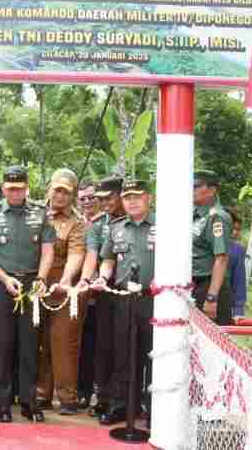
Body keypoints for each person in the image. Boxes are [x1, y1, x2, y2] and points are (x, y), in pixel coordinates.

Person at [0, 165, 56, 423]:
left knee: (30, 345)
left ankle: (30, 402)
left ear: (27, 187)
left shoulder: (41, 213)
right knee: (3, 345)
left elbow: (47, 249)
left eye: (20, 188)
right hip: (3, 285)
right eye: (10, 189)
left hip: (32, 284)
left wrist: (42, 278)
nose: (15, 193)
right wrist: (4, 278)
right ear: (3, 187)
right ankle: (3, 403)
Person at [91, 179, 155, 426]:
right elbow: (107, 259)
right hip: (123, 299)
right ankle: (121, 406)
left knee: (153, 354)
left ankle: (151, 409)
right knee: (124, 354)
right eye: (127, 197)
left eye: (137, 196)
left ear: (148, 198)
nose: (132, 201)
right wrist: (103, 277)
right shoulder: (116, 228)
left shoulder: (162, 225)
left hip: (154, 300)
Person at [36, 169, 86, 415]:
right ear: (49, 189)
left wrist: (65, 281)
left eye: (66, 192)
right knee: (40, 341)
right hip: (37, 286)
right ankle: (41, 394)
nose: (60, 196)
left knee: (63, 341)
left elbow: (77, 254)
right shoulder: (35, 214)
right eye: (57, 190)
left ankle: (67, 398)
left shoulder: (77, 222)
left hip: (64, 290)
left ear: (72, 194)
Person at [76, 175, 124, 416]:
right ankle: (105, 399)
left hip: (136, 293)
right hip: (104, 291)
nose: (105, 203)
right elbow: (94, 256)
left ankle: (131, 401)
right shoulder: (98, 225)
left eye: (109, 198)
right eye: (101, 199)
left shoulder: (145, 220)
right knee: (104, 346)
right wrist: (87, 279)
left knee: (128, 348)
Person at [192, 169, 233, 325]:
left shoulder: (217, 217)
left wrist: (212, 297)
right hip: (193, 286)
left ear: (212, 190)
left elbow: (221, 258)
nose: (191, 190)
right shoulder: (194, 214)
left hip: (209, 286)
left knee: (211, 344)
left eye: (196, 186)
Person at [75, 178, 102, 409]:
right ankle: (81, 390)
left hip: (102, 292)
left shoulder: (107, 223)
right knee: (81, 343)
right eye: (82, 198)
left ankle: (99, 391)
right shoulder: (76, 222)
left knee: (99, 344)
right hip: (76, 292)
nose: (87, 202)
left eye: (91, 197)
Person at [227, 207, 247, 321]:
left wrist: (238, 309)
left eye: (237, 230)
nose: (235, 232)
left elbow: (239, 281)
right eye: (232, 228)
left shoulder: (237, 250)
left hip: (224, 302)